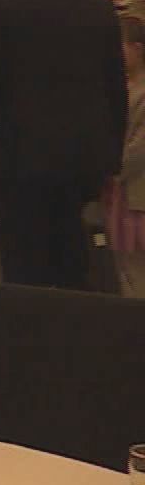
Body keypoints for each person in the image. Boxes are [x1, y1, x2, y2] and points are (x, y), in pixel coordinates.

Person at [0, 0, 126, 290]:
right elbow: (115, 88)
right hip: (82, 160)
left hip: (19, 159)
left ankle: (30, 326)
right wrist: (112, 165)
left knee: (23, 269)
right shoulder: (97, 4)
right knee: (74, 264)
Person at [113, 16, 145, 298]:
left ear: (137, 48)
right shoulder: (119, 86)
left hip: (137, 192)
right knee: (127, 272)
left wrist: (109, 168)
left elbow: (139, 148)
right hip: (121, 194)